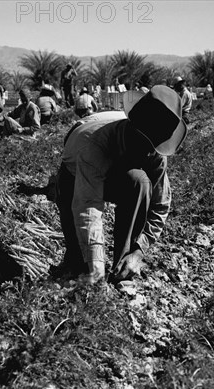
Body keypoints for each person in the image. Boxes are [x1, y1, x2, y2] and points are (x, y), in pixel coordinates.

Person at [55, 85, 187, 285]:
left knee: (139, 182)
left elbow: (160, 205)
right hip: (74, 171)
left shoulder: (155, 151)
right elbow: (88, 204)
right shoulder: (93, 146)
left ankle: (123, 265)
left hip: (114, 166)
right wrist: (96, 261)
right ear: (130, 127)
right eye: (141, 143)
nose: (147, 152)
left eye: (151, 148)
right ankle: (79, 266)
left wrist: (139, 251)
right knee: (80, 261)